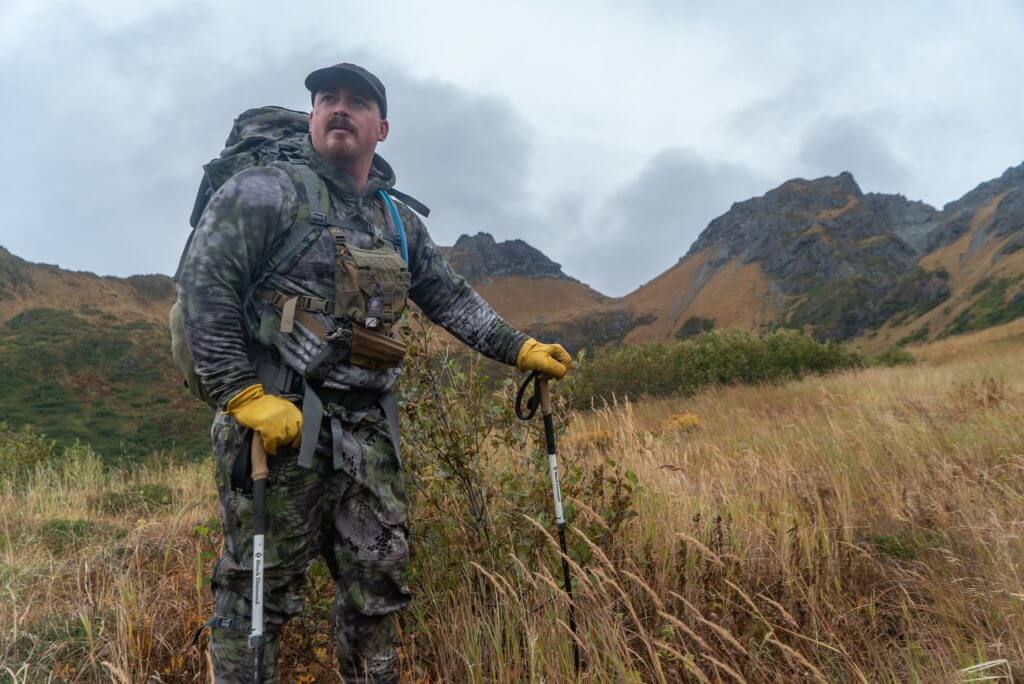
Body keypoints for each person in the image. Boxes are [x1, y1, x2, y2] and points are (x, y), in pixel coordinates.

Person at [177, 62, 573, 683]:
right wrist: (241, 394)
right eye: (327, 99)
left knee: (377, 586)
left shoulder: (397, 220)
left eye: (356, 102)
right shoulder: (264, 191)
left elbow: (449, 298)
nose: (340, 109)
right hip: (275, 432)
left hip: (369, 436)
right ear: (311, 117)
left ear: (380, 128)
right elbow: (205, 287)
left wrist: (519, 347)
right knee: (256, 598)